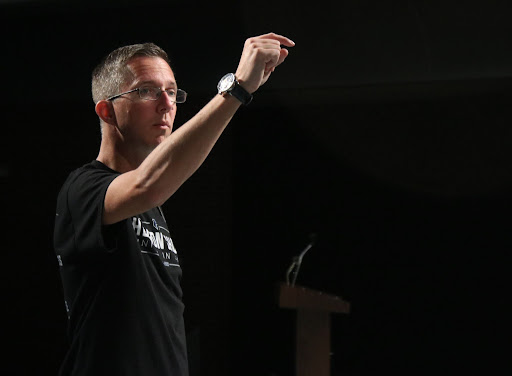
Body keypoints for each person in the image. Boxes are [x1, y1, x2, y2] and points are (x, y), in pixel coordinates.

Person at [53, 32, 294, 375]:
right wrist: (236, 89)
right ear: (107, 111)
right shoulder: (83, 190)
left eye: (171, 91)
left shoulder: (151, 207)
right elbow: (147, 185)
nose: (166, 104)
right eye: (147, 91)